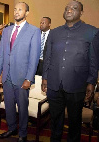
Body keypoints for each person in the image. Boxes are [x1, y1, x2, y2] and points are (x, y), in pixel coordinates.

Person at [41, 1, 98, 141]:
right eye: (67, 8)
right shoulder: (54, 32)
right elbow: (47, 57)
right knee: (55, 119)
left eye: (74, 8)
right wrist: (44, 77)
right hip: (54, 85)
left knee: (74, 121)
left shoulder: (92, 32)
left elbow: (94, 60)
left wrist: (91, 82)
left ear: (81, 12)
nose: (70, 10)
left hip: (77, 85)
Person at [0, 2, 41, 142]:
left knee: (22, 107)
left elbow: (34, 58)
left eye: (20, 9)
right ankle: (11, 128)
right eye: (15, 9)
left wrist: (29, 78)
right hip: (7, 76)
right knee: (9, 106)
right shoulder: (7, 30)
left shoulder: (34, 31)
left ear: (26, 13)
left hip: (22, 78)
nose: (16, 12)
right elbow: (2, 53)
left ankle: (22, 133)